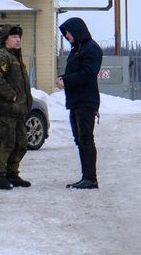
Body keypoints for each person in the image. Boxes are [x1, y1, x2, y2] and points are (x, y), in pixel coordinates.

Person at [56, 17, 103, 190]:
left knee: (86, 138)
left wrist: (66, 81)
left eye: (68, 33)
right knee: (80, 139)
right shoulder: (77, 49)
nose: (67, 36)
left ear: (77, 31)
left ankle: (91, 178)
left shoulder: (92, 49)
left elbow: (87, 73)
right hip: (76, 101)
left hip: (86, 101)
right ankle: (86, 176)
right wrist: (64, 78)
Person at [0, 24, 33, 190]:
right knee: (6, 142)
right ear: (6, 38)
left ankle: (12, 174)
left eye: (19, 37)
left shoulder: (16, 58)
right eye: (14, 37)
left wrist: (26, 101)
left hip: (19, 111)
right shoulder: (1, 55)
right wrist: (11, 95)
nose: (18, 39)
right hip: (7, 110)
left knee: (21, 144)